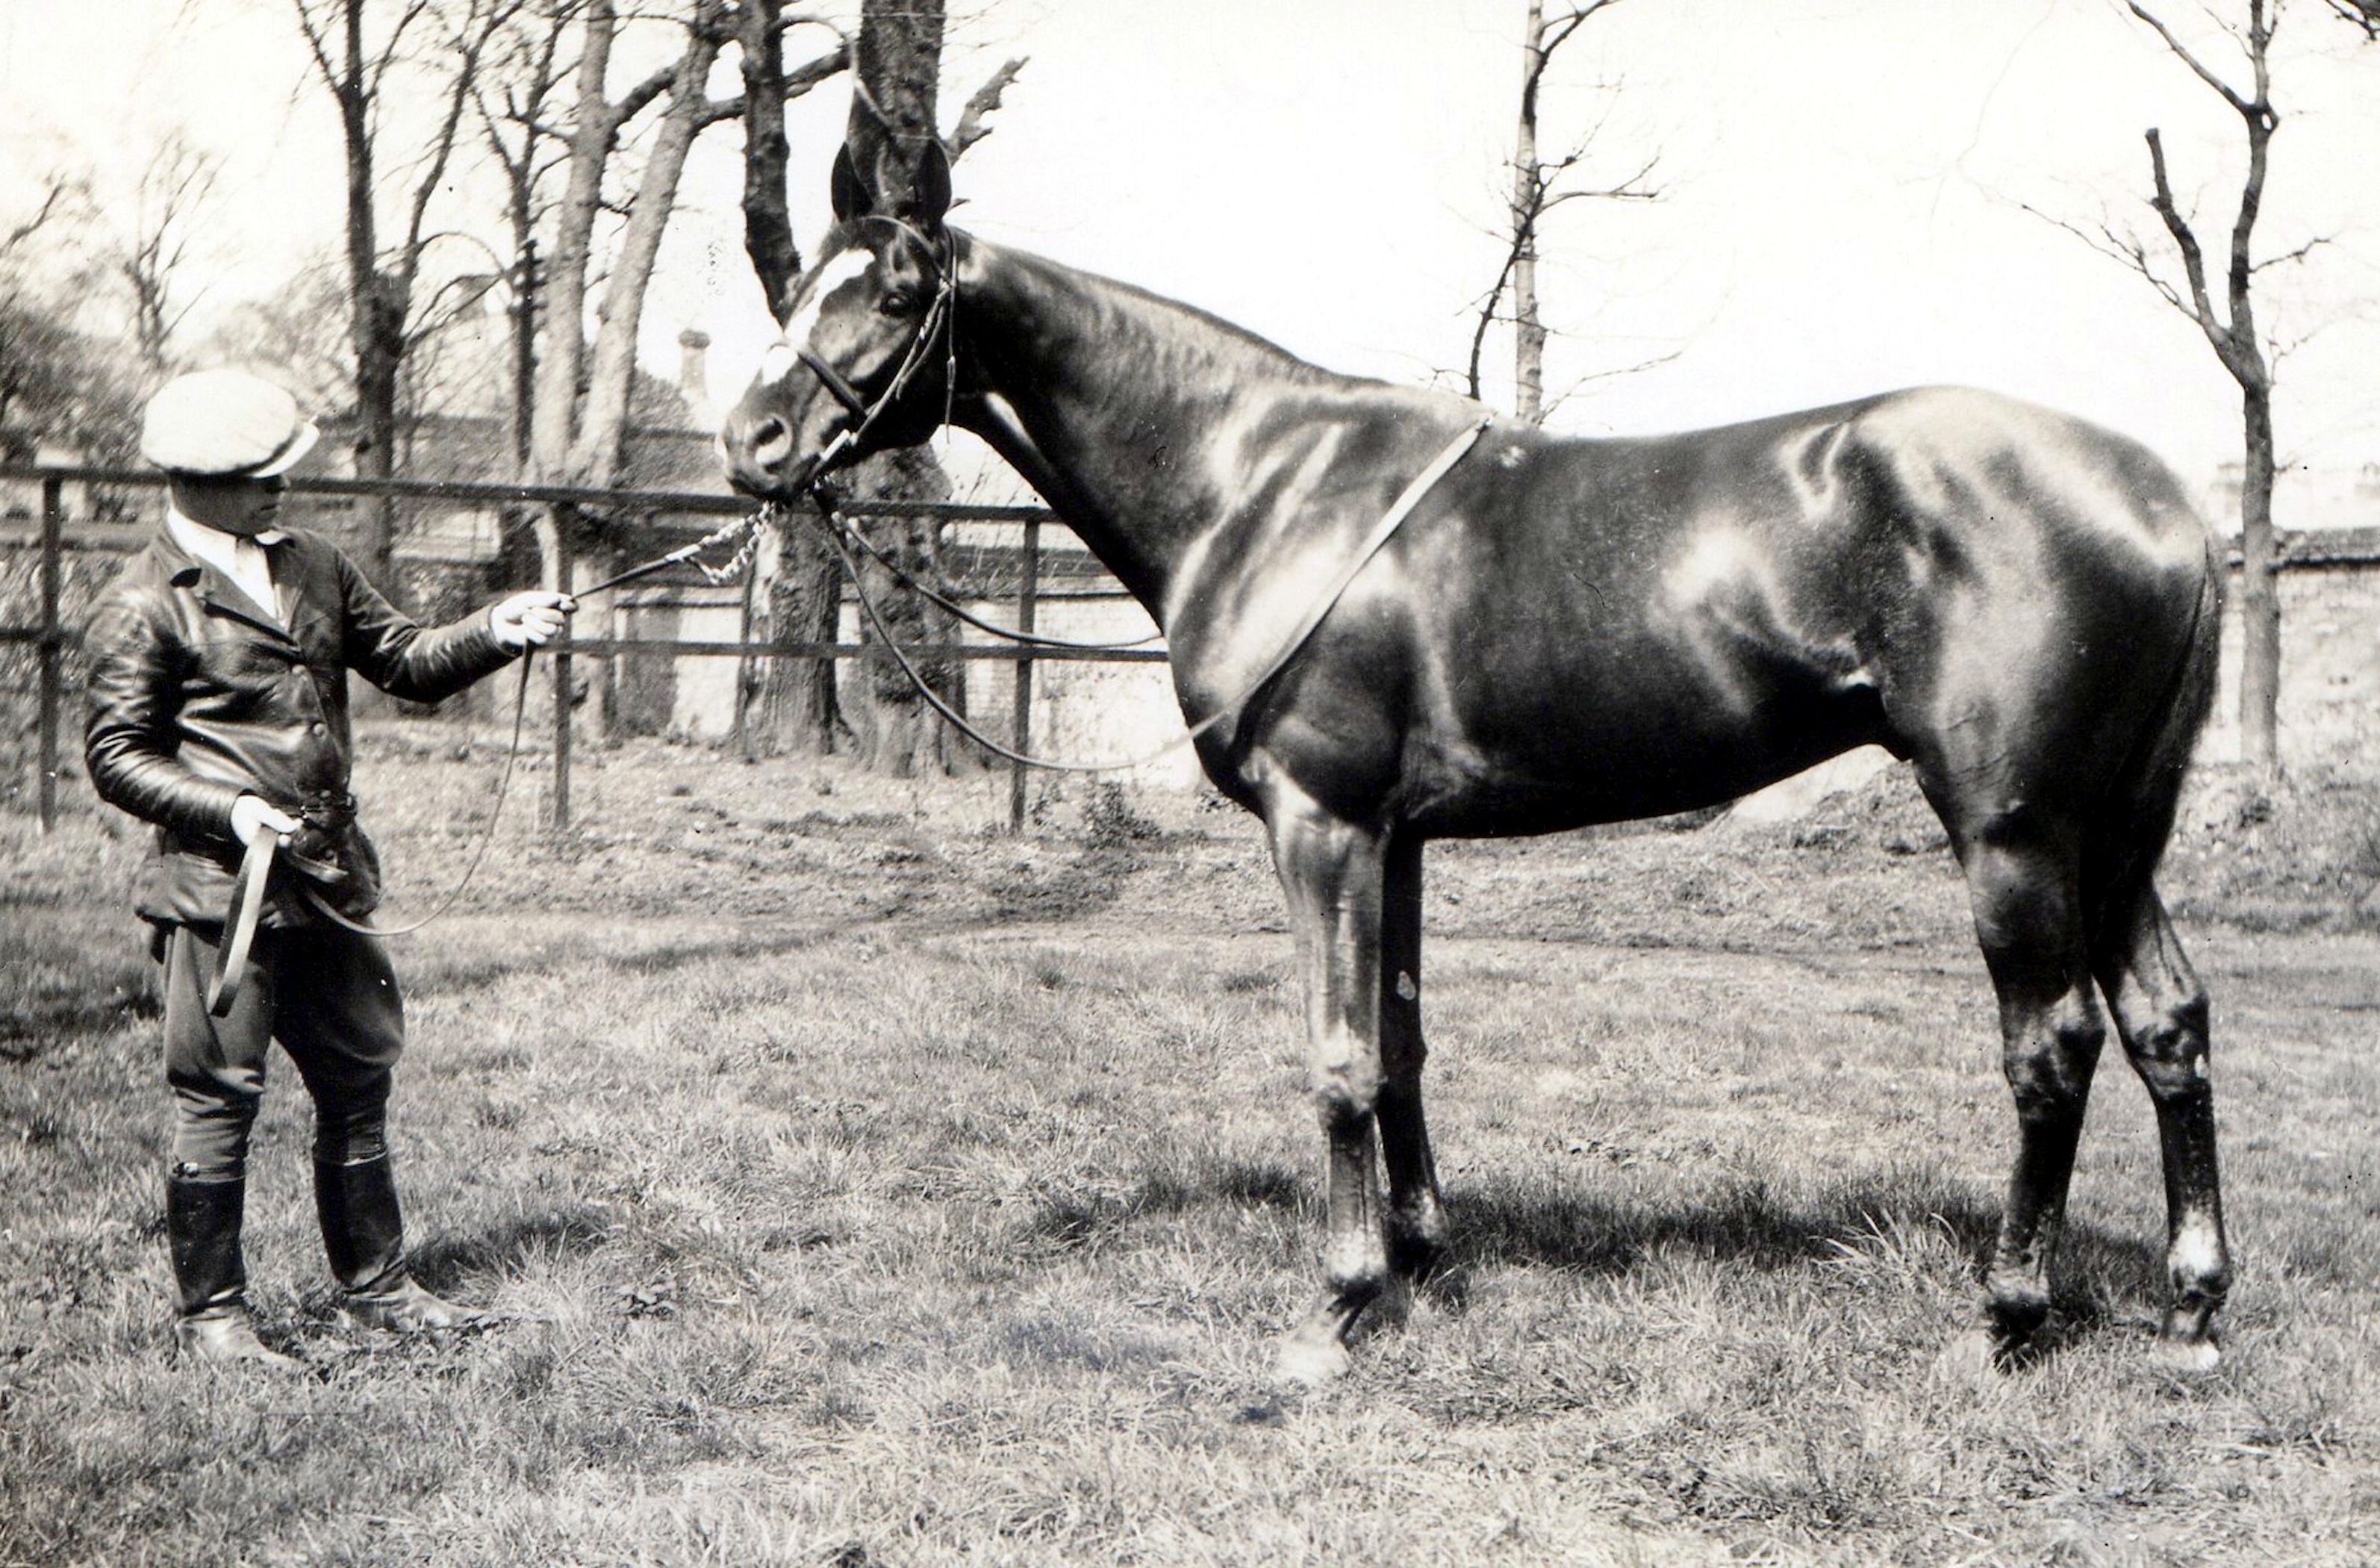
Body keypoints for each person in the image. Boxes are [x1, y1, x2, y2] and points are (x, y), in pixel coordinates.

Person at [83, 367, 573, 1369]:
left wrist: (494, 631)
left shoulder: (314, 561)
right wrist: (231, 809)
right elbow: (117, 756)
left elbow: (402, 661)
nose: (282, 489)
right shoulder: (144, 602)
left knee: (358, 1080)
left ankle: (379, 1292)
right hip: (223, 891)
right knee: (220, 1095)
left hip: (330, 880)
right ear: (197, 480)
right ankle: (215, 1320)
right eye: (261, 474)